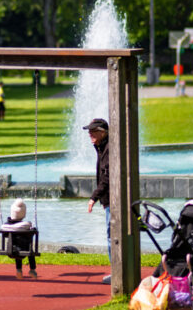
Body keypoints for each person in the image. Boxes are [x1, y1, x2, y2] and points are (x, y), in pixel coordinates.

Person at [84, 118, 111, 285]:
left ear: (103, 132)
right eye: (89, 131)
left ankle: (118, 271)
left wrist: (94, 197)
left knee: (112, 235)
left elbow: (107, 178)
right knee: (111, 234)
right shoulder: (101, 148)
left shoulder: (108, 149)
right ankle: (117, 269)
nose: (90, 134)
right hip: (109, 200)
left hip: (113, 200)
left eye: (93, 131)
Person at [2, 198, 37, 279]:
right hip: (24, 248)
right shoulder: (26, 225)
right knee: (28, 248)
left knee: (16, 244)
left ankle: (19, 270)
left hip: (11, 249)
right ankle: (32, 269)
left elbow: (4, 233)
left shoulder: (6, 226)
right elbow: (32, 231)